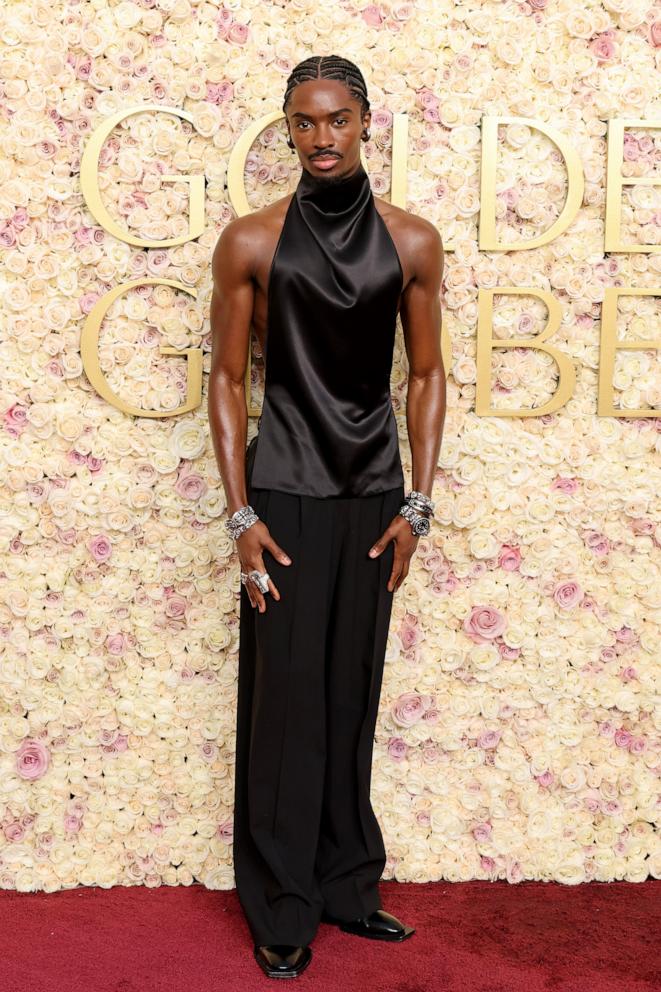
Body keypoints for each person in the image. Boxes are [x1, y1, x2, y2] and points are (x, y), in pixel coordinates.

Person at [208, 54, 445, 980]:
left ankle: (348, 887)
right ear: (286, 130)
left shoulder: (414, 242)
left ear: (365, 123)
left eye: (336, 120)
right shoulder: (251, 242)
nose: (320, 138)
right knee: (285, 704)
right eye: (303, 123)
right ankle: (281, 903)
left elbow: (424, 376)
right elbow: (226, 381)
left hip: (376, 501)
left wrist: (417, 504)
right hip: (283, 503)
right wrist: (239, 516)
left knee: (351, 694)